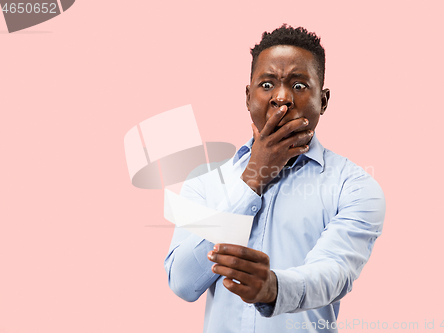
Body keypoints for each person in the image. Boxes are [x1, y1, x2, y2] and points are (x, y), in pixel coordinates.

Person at [164, 24, 386, 333]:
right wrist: (252, 179)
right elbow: (183, 282)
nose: (282, 98)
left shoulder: (354, 186)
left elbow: (334, 273)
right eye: (267, 84)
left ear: (323, 100)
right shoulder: (204, 182)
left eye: (298, 85)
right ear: (247, 96)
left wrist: (273, 288)